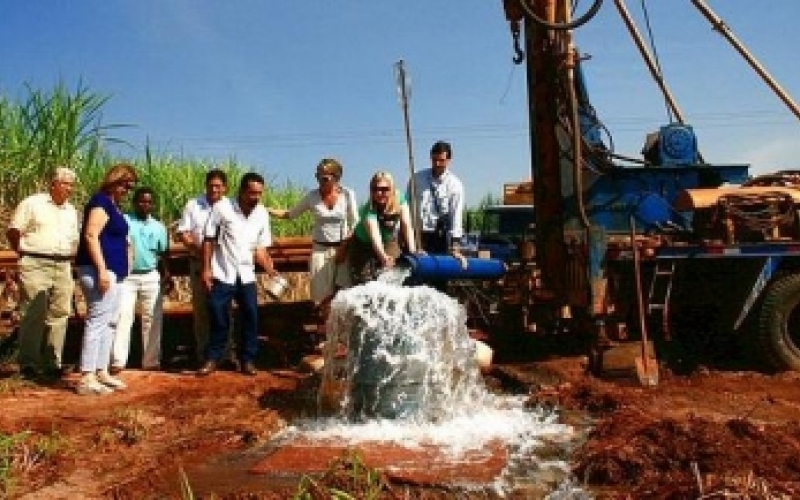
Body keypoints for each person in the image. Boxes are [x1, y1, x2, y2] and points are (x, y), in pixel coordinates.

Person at [197, 172, 277, 377]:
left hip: (246, 273)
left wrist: (269, 268)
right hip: (224, 271)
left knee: (251, 314)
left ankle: (247, 360)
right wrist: (206, 269)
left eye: (259, 193)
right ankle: (213, 358)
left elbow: (260, 248)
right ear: (241, 191)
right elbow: (208, 239)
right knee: (217, 312)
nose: (256, 197)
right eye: (252, 193)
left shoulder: (262, 214)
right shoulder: (222, 208)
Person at [6, 166, 79, 380]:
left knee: (60, 313)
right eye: (65, 183)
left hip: (63, 264)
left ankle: (52, 363)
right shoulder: (32, 204)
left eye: (72, 185)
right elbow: (14, 231)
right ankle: (28, 364)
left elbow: (74, 239)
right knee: (33, 313)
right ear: (53, 183)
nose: (69, 188)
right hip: (35, 261)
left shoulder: (71, 210)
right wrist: (23, 253)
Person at [74, 162, 137, 395]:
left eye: (130, 187)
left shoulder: (114, 206)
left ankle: (101, 370)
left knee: (110, 321)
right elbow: (91, 235)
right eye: (124, 185)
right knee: (98, 319)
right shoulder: (100, 203)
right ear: (114, 181)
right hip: (99, 269)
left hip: (115, 272)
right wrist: (101, 269)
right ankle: (87, 376)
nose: (127, 191)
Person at [268, 158, 358, 316]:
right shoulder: (312, 197)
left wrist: (344, 248)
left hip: (341, 250)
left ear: (336, 177)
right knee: (321, 297)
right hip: (320, 251)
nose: (320, 180)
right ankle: (324, 334)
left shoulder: (348, 195)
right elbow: (290, 214)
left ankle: (341, 336)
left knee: (342, 294)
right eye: (317, 176)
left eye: (324, 177)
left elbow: (355, 223)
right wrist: (266, 209)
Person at [176, 169, 235, 368]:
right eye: (211, 185)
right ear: (205, 186)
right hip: (199, 262)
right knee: (201, 310)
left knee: (224, 309)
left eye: (218, 186)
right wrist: (199, 250)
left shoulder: (231, 206)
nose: (214, 189)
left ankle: (225, 355)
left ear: (225, 188)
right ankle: (203, 355)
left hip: (224, 264)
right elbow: (184, 233)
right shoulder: (193, 205)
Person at [111, 187, 172, 373]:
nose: (145, 205)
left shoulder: (159, 227)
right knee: (123, 316)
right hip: (127, 275)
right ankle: (117, 361)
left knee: (152, 319)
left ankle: (151, 361)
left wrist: (167, 275)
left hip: (151, 275)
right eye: (141, 201)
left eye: (149, 202)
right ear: (134, 203)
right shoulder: (124, 221)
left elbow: (163, 254)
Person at [348, 171, 417, 285]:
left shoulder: (400, 198)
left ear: (392, 189)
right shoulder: (368, 210)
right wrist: (383, 256)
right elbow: (375, 238)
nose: (379, 193)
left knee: (395, 276)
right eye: (375, 189)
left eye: (384, 189)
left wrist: (413, 251)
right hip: (363, 244)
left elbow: (406, 225)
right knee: (365, 282)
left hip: (389, 240)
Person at [407, 140, 465, 255]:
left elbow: (456, 215)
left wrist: (455, 244)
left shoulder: (455, 185)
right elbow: (406, 207)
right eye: (434, 160)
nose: (437, 164)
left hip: (440, 238)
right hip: (417, 237)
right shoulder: (416, 179)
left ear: (449, 160)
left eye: (441, 160)